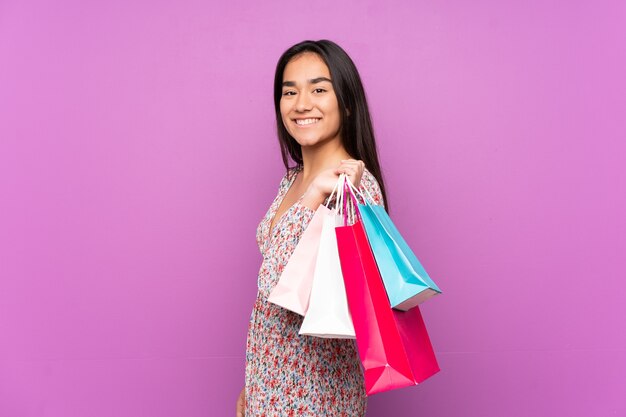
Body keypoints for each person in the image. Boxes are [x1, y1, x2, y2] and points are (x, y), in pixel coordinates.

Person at [237, 39, 389, 417]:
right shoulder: (292, 181)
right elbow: (276, 306)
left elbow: (273, 281)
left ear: (348, 103)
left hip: (317, 396)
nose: (302, 104)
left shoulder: (354, 190)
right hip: (272, 389)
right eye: (290, 92)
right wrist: (255, 384)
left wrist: (316, 197)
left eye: (319, 89)